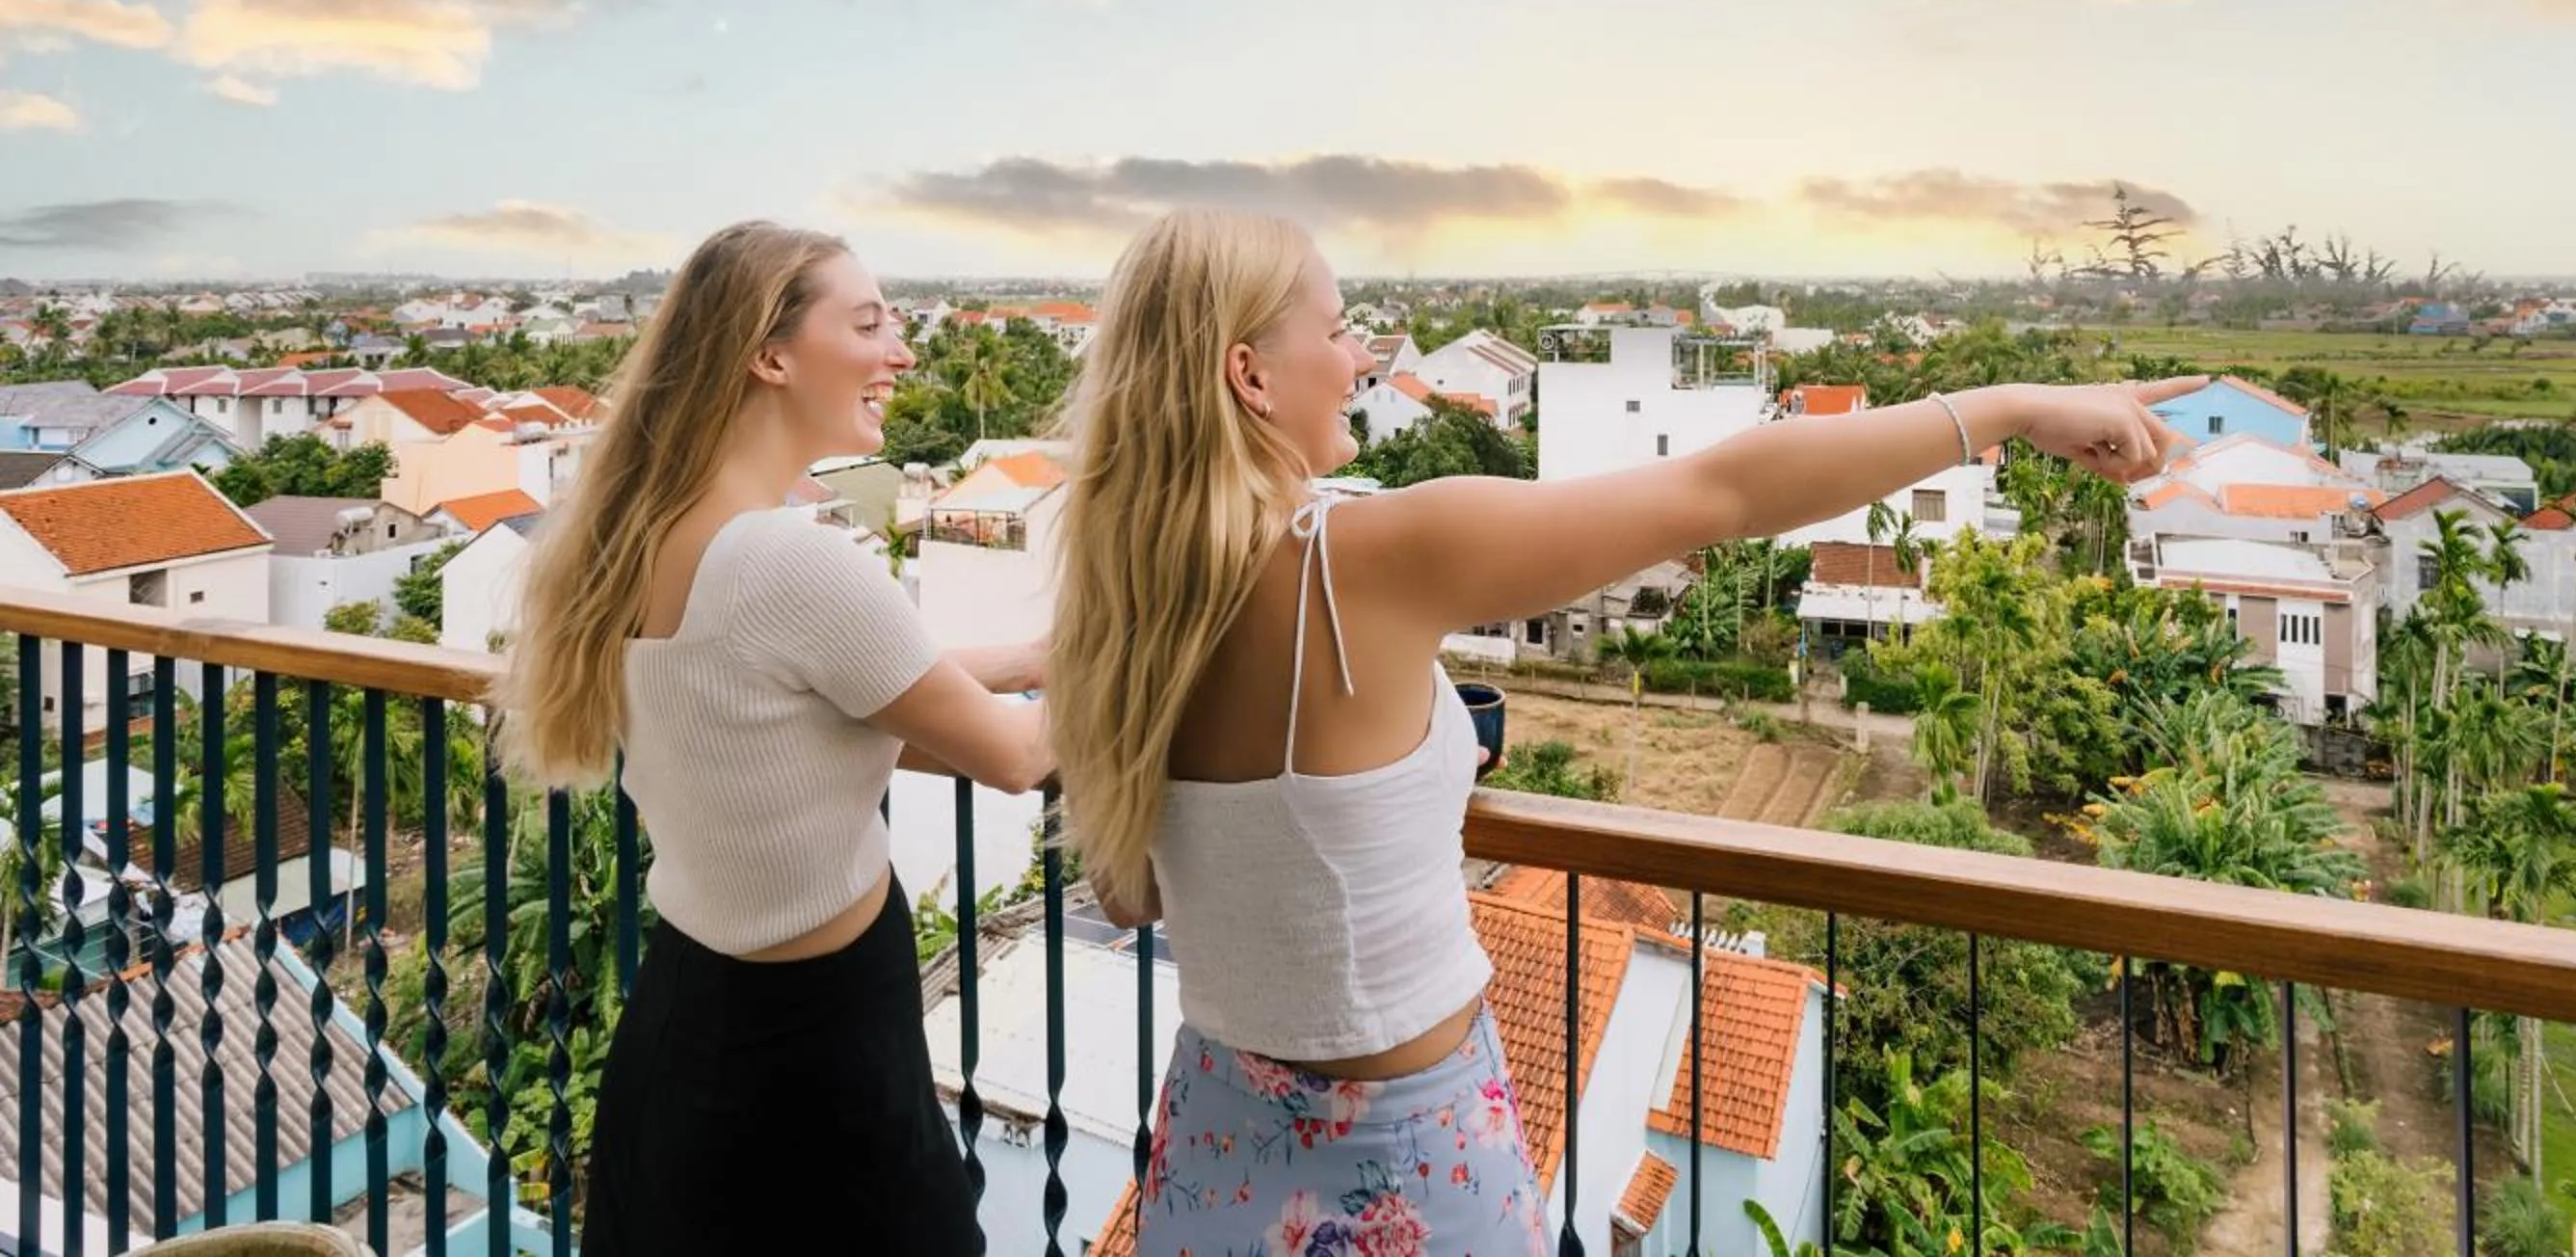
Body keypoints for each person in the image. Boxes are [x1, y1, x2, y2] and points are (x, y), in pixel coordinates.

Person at [1048, 208, 2198, 1255]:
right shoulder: (1360, 560)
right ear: (1249, 372)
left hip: (1209, 1142)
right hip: (1403, 1161)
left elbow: (1155, 884)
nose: (1360, 360)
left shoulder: (1128, 604)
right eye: (1341, 330)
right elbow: (1725, 495)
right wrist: (2011, 409)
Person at [498, 220, 1054, 1255]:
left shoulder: (653, 538)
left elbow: (833, 695)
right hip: (816, 1068)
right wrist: (1153, 656)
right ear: (770, 353)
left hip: (688, 1033)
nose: (902, 351)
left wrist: (1028, 657)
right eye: (871, 322)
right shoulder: (786, 562)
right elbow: (1018, 756)